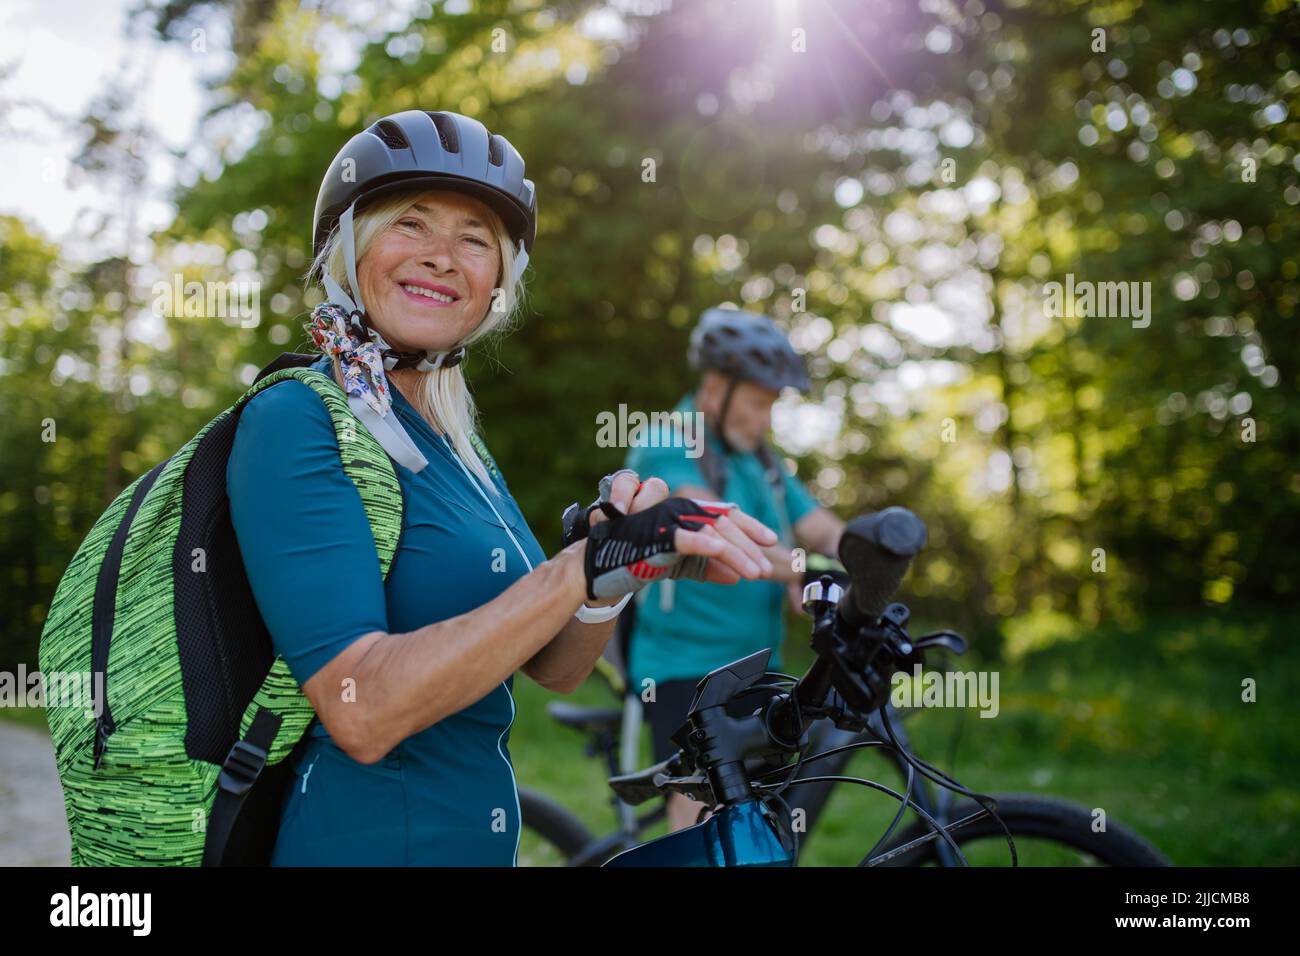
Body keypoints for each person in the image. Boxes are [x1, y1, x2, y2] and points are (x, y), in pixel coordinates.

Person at [225, 110, 777, 865]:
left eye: (475, 238)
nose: (443, 257)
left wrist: (611, 568)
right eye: (410, 224)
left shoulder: (460, 448)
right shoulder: (297, 419)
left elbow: (554, 666)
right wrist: (571, 567)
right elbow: (362, 709)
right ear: (351, 250)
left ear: (497, 285)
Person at [624, 305, 847, 832]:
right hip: (686, 669)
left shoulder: (759, 459)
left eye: (772, 405)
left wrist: (856, 555)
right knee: (709, 823)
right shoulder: (668, 443)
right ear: (715, 387)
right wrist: (804, 570)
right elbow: (716, 533)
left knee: (762, 825)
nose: (766, 419)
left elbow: (821, 528)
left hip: (757, 665)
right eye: (756, 402)